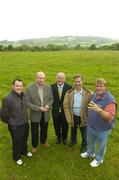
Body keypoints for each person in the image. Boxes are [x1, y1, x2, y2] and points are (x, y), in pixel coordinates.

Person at [81, 78, 117, 167]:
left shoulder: (110, 100)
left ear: (105, 87)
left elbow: (109, 117)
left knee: (101, 145)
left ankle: (99, 159)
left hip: (103, 129)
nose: (98, 88)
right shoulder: (95, 94)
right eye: (97, 86)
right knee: (90, 141)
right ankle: (90, 153)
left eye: (101, 86)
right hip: (91, 125)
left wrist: (99, 110)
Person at [1, 79, 32, 166]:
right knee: (17, 141)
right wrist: (11, 121)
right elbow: (3, 114)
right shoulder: (8, 98)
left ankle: (24, 151)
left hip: (25, 122)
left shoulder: (23, 95)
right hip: (15, 125)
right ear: (13, 86)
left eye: (20, 86)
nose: (19, 87)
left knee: (24, 139)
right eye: (17, 85)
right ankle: (16, 157)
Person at [26, 71, 53, 153]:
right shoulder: (29, 88)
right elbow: (27, 102)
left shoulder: (48, 87)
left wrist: (47, 106)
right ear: (36, 78)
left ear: (45, 79)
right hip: (35, 114)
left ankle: (43, 141)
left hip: (46, 113)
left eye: (43, 78)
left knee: (44, 129)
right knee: (34, 130)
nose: (41, 80)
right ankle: (34, 146)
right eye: (39, 78)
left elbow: (51, 99)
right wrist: (38, 108)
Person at [63, 74, 92, 152]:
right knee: (73, 129)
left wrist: (88, 116)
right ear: (73, 82)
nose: (77, 83)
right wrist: (69, 119)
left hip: (83, 117)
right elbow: (65, 106)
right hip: (73, 116)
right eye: (75, 81)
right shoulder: (69, 93)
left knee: (84, 132)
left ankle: (84, 145)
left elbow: (92, 105)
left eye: (79, 81)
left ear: (82, 82)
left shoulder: (89, 93)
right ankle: (73, 140)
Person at [52, 72, 72, 145]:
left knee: (65, 125)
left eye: (62, 78)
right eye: (58, 78)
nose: (60, 80)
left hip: (65, 111)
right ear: (56, 78)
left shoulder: (69, 87)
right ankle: (58, 137)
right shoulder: (52, 87)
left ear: (65, 79)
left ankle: (64, 138)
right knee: (56, 125)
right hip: (55, 111)